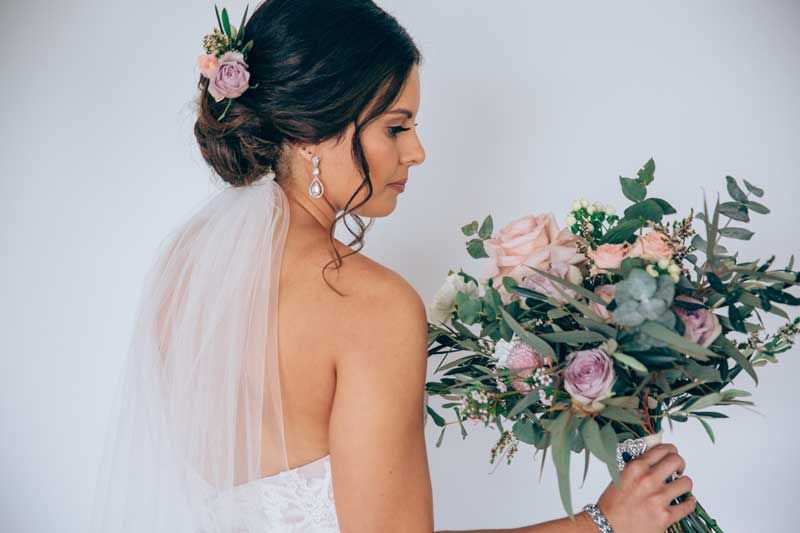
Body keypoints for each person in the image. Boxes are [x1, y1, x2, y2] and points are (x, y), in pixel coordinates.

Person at [88, 1, 697, 532]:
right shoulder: (368, 305)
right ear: (308, 134)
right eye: (396, 127)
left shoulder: (188, 264)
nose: (418, 151)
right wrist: (605, 522)